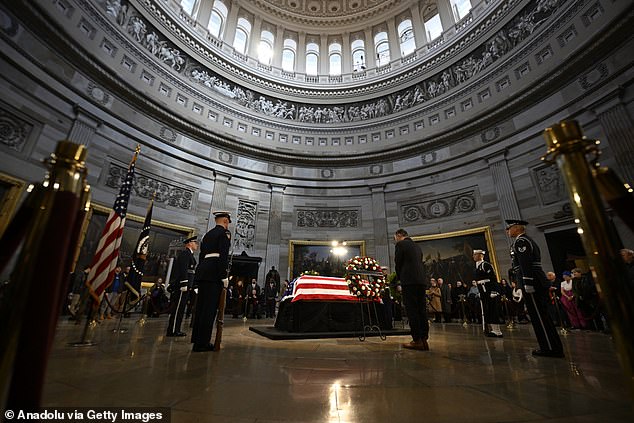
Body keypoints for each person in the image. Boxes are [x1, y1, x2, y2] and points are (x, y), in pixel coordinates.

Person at [506, 219, 564, 357]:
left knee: (539, 315)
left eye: (509, 228)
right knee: (539, 315)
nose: (507, 231)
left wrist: (527, 283)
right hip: (533, 280)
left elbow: (525, 264)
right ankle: (549, 346)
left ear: (517, 228)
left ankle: (549, 348)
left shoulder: (522, 242)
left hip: (534, 281)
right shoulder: (523, 241)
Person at [191, 211, 232, 352]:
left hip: (203, 272)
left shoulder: (207, 235)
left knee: (201, 308)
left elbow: (202, 256)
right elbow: (223, 257)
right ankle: (203, 343)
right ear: (225, 221)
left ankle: (196, 339)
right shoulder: (224, 235)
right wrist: (223, 276)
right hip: (214, 274)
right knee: (209, 310)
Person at [394, 228, 430, 351]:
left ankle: (416, 340)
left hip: (409, 281)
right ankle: (424, 339)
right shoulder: (417, 246)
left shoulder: (401, 244)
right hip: (421, 281)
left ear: (399, 235)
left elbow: (398, 263)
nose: (395, 240)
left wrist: (399, 279)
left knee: (412, 310)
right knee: (421, 310)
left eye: (395, 237)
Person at [166, 236, 198, 337]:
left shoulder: (190, 255)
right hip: (182, 286)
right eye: (194, 242)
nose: (196, 244)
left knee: (181, 308)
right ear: (189, 243)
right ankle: (173, 330)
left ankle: (177, 329)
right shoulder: (185, 254)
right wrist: (184, 283)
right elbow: (183, 270)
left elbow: (191, 272)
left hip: (187, 285)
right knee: (178, 308)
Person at [473, 250, 503, 337]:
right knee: (486, 309)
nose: (473, 256)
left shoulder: (486, 265)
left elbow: (493, 278)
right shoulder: (477, 266)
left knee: (492, 308)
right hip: (482, 290)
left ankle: (497, 331)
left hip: (488, 289)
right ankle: (492, 329)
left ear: (481, 255)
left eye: (475, 254)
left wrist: (494, 291)